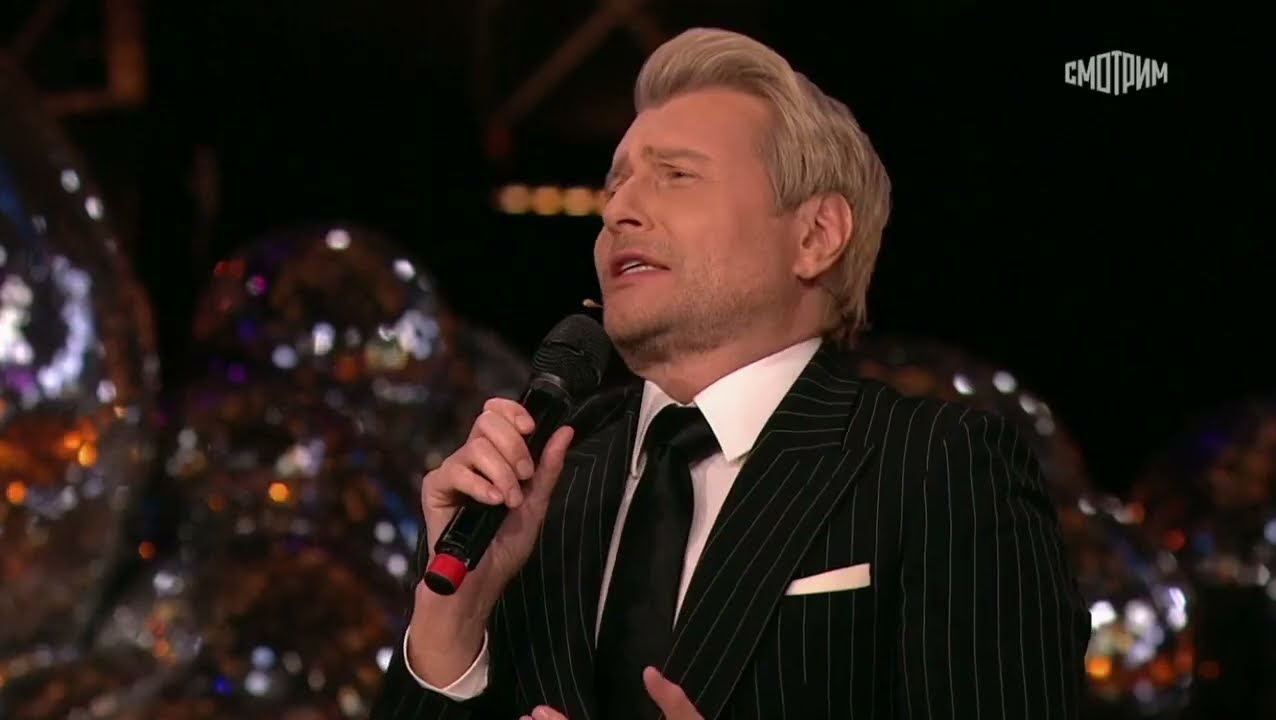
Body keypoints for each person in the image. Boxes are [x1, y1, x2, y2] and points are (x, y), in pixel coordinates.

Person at [370, 27, 1091, 720]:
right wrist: (449, 630)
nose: (619, 210)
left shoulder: (939, 467)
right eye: (615, 185)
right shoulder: (537, 483)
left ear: (815, 236)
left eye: (676, 176)